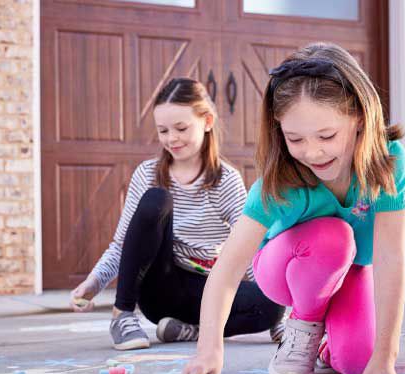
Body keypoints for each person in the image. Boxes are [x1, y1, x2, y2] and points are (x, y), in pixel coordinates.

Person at [176, 43, 405, 374]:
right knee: (335, 237)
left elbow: (389, 257)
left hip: (352, 271)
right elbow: (227, 270)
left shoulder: (387, 160)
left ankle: (332, 341)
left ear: (360, 116)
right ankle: (304, 324)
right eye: (294, 138)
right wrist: (209, 349)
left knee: (360, 364)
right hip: (284, 267)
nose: (312, 152)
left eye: (327, 136)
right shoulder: (278, 180)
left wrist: (385, 358)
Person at [69, 77, 285, 351]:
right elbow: (122, 244)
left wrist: (279, 315)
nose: (171, 139)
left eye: (181, 128)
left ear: (207, 122)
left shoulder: (226, 180)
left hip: (206, 291)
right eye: (163, 131)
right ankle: (121, 315)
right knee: (156, 199)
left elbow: (250, 247)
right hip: (159, 288)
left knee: (272, 304)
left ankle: (189, 332)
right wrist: (94, 283)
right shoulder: (147, 174)